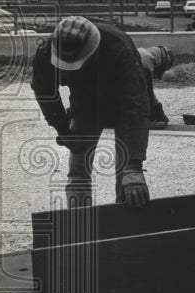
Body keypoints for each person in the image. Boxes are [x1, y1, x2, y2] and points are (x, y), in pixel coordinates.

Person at [31, 16, 151, 208]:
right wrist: (62, 129)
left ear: (92, 52)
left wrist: (134, 166)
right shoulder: (47, 50)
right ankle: (79, 218)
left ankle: (125, 221)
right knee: (78, 165)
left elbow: (134, 105)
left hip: (120, 100)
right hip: (85, 101)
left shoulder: (118, 47)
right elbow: (45, 91)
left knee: (126, 171)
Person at [138, 45, 174, 128]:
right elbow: (147, 92)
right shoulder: (146, 59)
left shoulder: (142, 52)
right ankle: (146, 122)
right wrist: (156, 115)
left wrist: (158, 107)